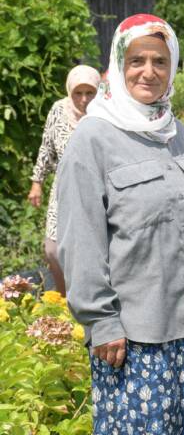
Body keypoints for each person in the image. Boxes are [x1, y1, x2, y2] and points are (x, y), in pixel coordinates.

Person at [56, 14, 184, 435]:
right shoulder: (93, 140)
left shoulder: (178, 134)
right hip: (137, 342)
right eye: (137, 61)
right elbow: (80, 239)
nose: (148, 71)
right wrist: (101, 322)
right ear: (117, 65)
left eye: (159, 61)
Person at [28, 65, 101, 295]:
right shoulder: (59, 110)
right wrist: (37, 181)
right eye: (78, 93)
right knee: (53, 249)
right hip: (64, 188)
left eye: (90, 93)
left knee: (90, 250)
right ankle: (64, 302)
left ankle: (91, 305)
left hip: (96, 190)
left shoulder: (105, 114)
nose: (84, 99)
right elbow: (46, 148)